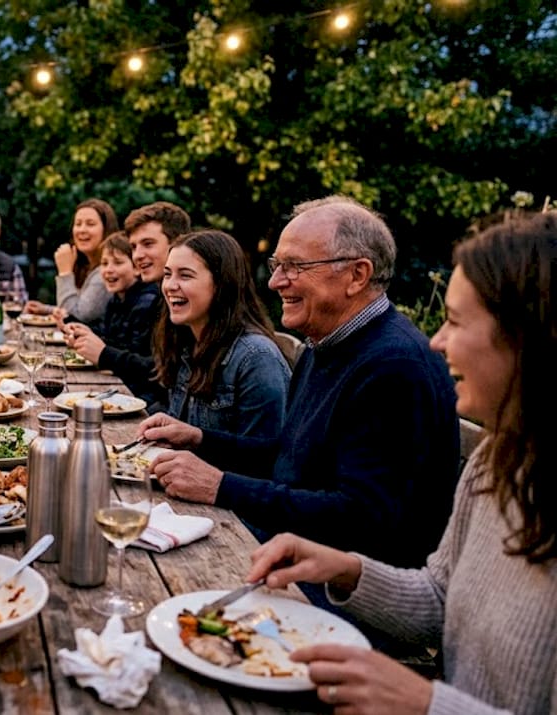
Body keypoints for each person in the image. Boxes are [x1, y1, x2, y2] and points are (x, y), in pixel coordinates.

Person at [246, 211, 557, 714]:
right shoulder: (498, 462)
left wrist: (426, 703)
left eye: (455, 321)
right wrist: (346, 571)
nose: (437, 341)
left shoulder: (396, 363)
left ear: (531, 337)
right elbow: (439, 596)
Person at [136, 196, 460, 599]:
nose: (275, 282)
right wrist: (201, 438)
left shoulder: (393, 365)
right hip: (291, 552)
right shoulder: (324, 346)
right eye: (277, 265)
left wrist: (221, 486)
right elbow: (291, 457)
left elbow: (361, 516)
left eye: (294, 266)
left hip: (342, 595)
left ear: (357, 275)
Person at [153, 229, 290, 438]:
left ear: (221, 284)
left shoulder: (256, 358)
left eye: (185, 275)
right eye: (167, 274)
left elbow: (265, 452)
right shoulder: (186, 342)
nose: (170, 286)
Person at [66, 201, 192, 407]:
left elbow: (159, 375)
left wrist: (105, 354)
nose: (138, 255)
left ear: (177, 244)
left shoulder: (161, 300)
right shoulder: (163, 299)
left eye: (148, 244)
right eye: (134, 247)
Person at [25, 198, 117, 324]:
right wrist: (46, 310)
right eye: (78, 224)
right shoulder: (85, 266)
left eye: (90, 224)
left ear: (106, 230)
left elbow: (76, 317)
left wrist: (65, 273)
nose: (82, 230)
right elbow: (77, 306)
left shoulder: (105, 272)